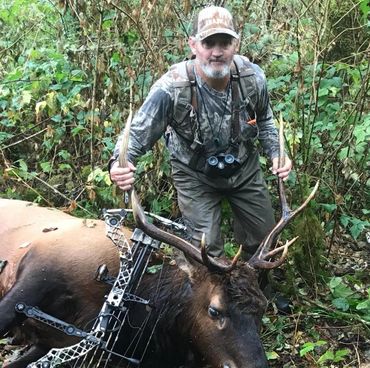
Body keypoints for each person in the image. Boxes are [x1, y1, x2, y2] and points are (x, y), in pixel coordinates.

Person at [109, 6, 292, 259]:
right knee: (206, 251)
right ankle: (209, 299)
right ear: (193, 45)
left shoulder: (252, 78)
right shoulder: (171, 88)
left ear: (235, 45)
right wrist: (120, 163)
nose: (217, 52)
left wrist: (277, 153)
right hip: (194, 175)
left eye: (225, 42)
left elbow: (266, 121)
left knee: (264, 242)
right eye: (209, 43)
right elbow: (136, 135)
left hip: (244, 170)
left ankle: (257, 293)